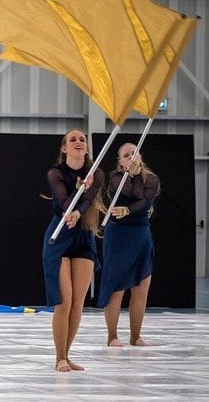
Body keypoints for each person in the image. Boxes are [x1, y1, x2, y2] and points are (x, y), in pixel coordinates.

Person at [42, 129, 104, 372]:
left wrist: (83, 198)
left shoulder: (95, 174)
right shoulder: (55, 173)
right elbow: (65, 203)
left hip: (83, 236)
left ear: (86, 148)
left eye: (82, 140)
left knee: (78, 302)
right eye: (73, 140)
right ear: (64, 149)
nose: (78, 142)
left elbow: (87, 202)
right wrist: (78, 195)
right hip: (60, 235)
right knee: (64, 302)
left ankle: (67, 355)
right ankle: (59, 357)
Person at [99, 143, 160, 347]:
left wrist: (129, 209)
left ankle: (135, 335)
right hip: (119, 235)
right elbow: (132, 193)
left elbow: (145, 201)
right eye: (126, 155)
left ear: (141, 156)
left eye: (134, 153)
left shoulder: (152, 179)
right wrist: (132, 176)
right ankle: (112, 336)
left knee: (141, 287)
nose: (131, 157)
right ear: (120, 162)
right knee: (116, 286)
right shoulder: (117, 178)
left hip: (141, 234)